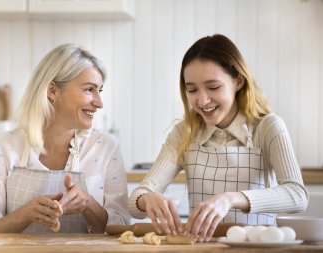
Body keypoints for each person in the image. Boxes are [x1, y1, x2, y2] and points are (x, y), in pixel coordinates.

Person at [128, 34, 308, 242]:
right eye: (192, 89)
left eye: (213, 87)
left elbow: (297, 196)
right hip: (204, 247)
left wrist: (231, 199)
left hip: (258, 246)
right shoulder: (184, 132)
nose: (202, 100)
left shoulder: (267, 127)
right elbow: (136, 201)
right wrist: (148, 198)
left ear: (238, 81)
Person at [0, 44, 130, 234]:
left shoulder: (106, 147)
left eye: (99, 91)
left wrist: (88, 204)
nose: (99, 103)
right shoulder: (1, 146)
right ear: (52, 91)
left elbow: (121, 227)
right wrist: (26, 214)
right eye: (89, 90)